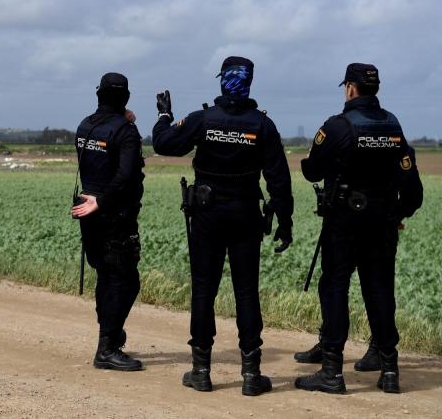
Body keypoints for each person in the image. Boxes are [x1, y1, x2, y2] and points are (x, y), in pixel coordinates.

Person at [152, 56, 294, 396]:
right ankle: (250, 375)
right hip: (245, 216)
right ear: (249, 83)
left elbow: (163, 143)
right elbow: (278, 180)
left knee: (204, 289)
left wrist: (164, 115)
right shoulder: (263, 125)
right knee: (246, 292)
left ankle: (201, 371)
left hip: (207, 214)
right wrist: (285, 221)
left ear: (223, 82)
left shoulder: (203, 120)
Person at [295, 63, 423, 394]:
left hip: (345, 222)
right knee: (380, 290)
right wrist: (396, 214)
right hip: (382, 223)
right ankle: (390, 368)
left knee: (335, 287)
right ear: (375, 89)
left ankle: (332, 372)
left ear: (351, 88)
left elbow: (311, 170)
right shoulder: (394, 127)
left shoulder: (338, 127)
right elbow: (413, 189)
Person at [72, 72, 145, 371]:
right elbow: (126, 175)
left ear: (98, 95)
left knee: (105, 274)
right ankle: (107, 348)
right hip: (112, 213)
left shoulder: (84, 125)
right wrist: (103, 202)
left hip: (85, 208)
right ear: (125, 98)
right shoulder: (125, 131)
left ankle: (111, 334)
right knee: (126, 281)